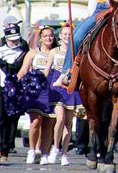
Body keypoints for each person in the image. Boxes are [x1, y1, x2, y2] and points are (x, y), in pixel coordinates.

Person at [18, 26, 56, 165]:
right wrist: (15, 82)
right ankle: (32, 151)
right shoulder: (33, 53)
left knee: (47, 124)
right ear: (40, 38)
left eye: (50, 35)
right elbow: (23, 70)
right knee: (35, 122)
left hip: (52, 91)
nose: (48, 38)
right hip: (36, 92)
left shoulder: (56, 53)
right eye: (45, 36)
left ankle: (44, 153)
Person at [44, 23, 82, 166]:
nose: (67, 36)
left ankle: (64, 153)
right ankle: (55, 147)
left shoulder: (76, 53)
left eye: (69, 34)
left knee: (68, 123)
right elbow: (47, 70)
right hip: (57, 87)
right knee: (60, 118)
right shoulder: (54, 51)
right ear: (60, 36)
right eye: (64, 34)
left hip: (71, 88)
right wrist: (39, 83)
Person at [0, 25, 27, 162]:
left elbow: (13, 69)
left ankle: (6, 150)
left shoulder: (23, 52)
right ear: (6, 39)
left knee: (10, 121)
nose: (14, 42)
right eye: (11, 40)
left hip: (14, 90)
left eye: (16, 39)